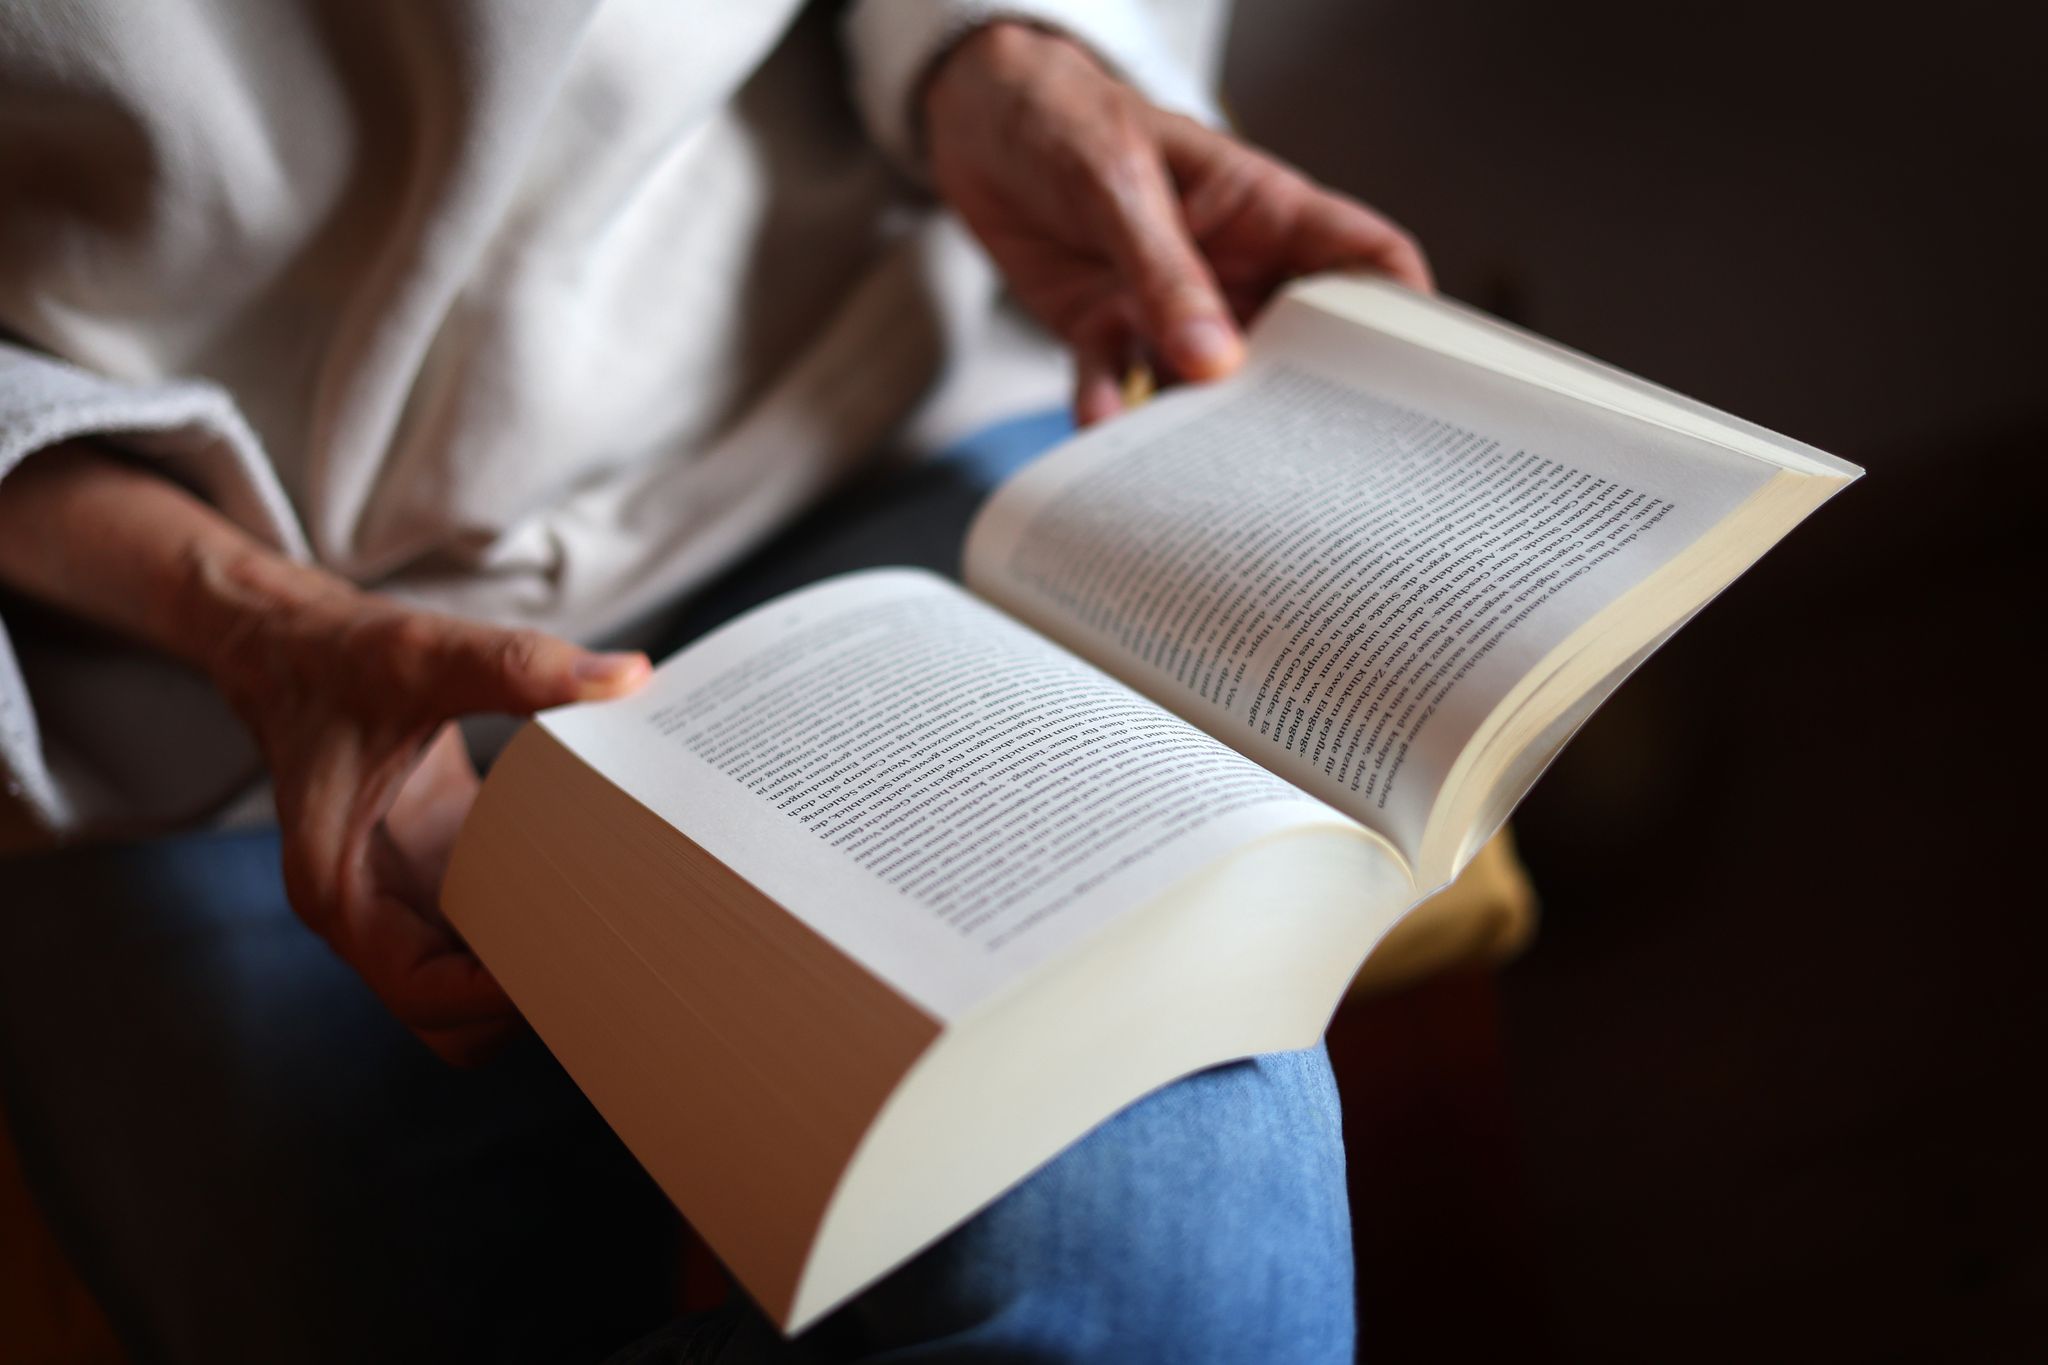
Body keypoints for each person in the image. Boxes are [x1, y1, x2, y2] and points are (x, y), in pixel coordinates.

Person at [0, 3, 1430, 1360]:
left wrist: (997, 53)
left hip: (845, 433)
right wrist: (255, 626)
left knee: (1168, 1295)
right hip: (180, 666)